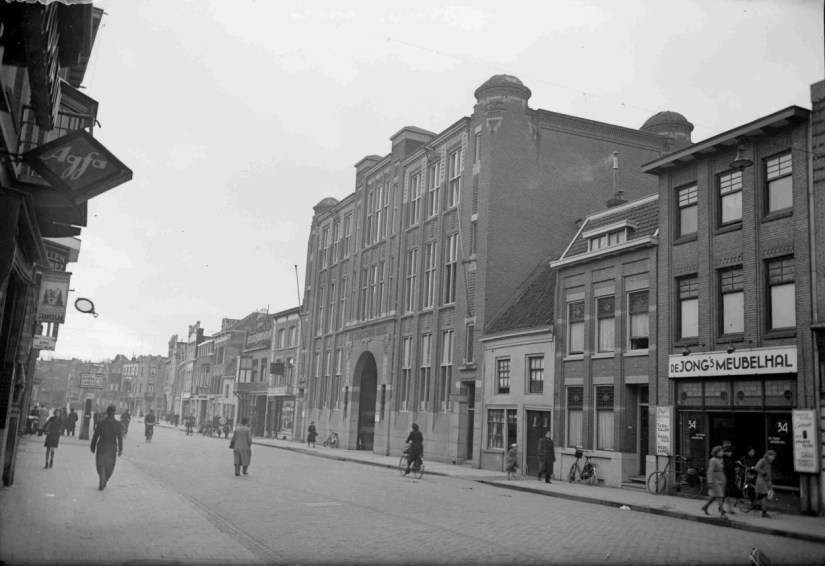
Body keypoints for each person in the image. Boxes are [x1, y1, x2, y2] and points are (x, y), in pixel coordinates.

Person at [90, 405, 123, 491]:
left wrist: (92, 447)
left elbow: (95, 436)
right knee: (110, 466)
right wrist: (120, 449)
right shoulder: (118, 424)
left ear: (107, 413)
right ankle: (105, 479)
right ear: (114, 413)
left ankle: (102, 478)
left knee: (101, 464)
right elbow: (120, 437)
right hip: (112, 447)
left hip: (102, 446)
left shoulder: (101, 423)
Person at [701, 445, 728, 519]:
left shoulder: (721, 459)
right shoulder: (713, 460)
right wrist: (710, 482)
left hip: (721, 479)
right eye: (721, 451)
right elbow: (710, 471)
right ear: (717, 452)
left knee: (714, 496)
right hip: (715, 480)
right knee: (719, 496)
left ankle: (705, 507)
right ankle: (722, 513)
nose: (722, 453)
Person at [754, 450, 777, 518]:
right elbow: (756, 467)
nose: (773, 458)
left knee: (764, 496)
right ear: (768, 455)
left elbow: (769, 475)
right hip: (761, 480)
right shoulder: (763, 460)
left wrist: (770, 485)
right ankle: (764, 512)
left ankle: (758, 505)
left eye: (774, 457)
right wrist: (763, 472)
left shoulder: (769, 463)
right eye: (772, 456)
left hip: (766, 481)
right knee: (765, 495)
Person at [721, 442, 738, 514]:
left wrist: (735, 478)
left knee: (729, 494)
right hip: (724, 479)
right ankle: (722, 507)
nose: (730, 453)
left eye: (731, 451)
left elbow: (732, 469)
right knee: (724, 495)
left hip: (730, 479)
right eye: (729, 451)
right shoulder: (722, 459)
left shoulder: (731, 459)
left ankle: (730, 509)